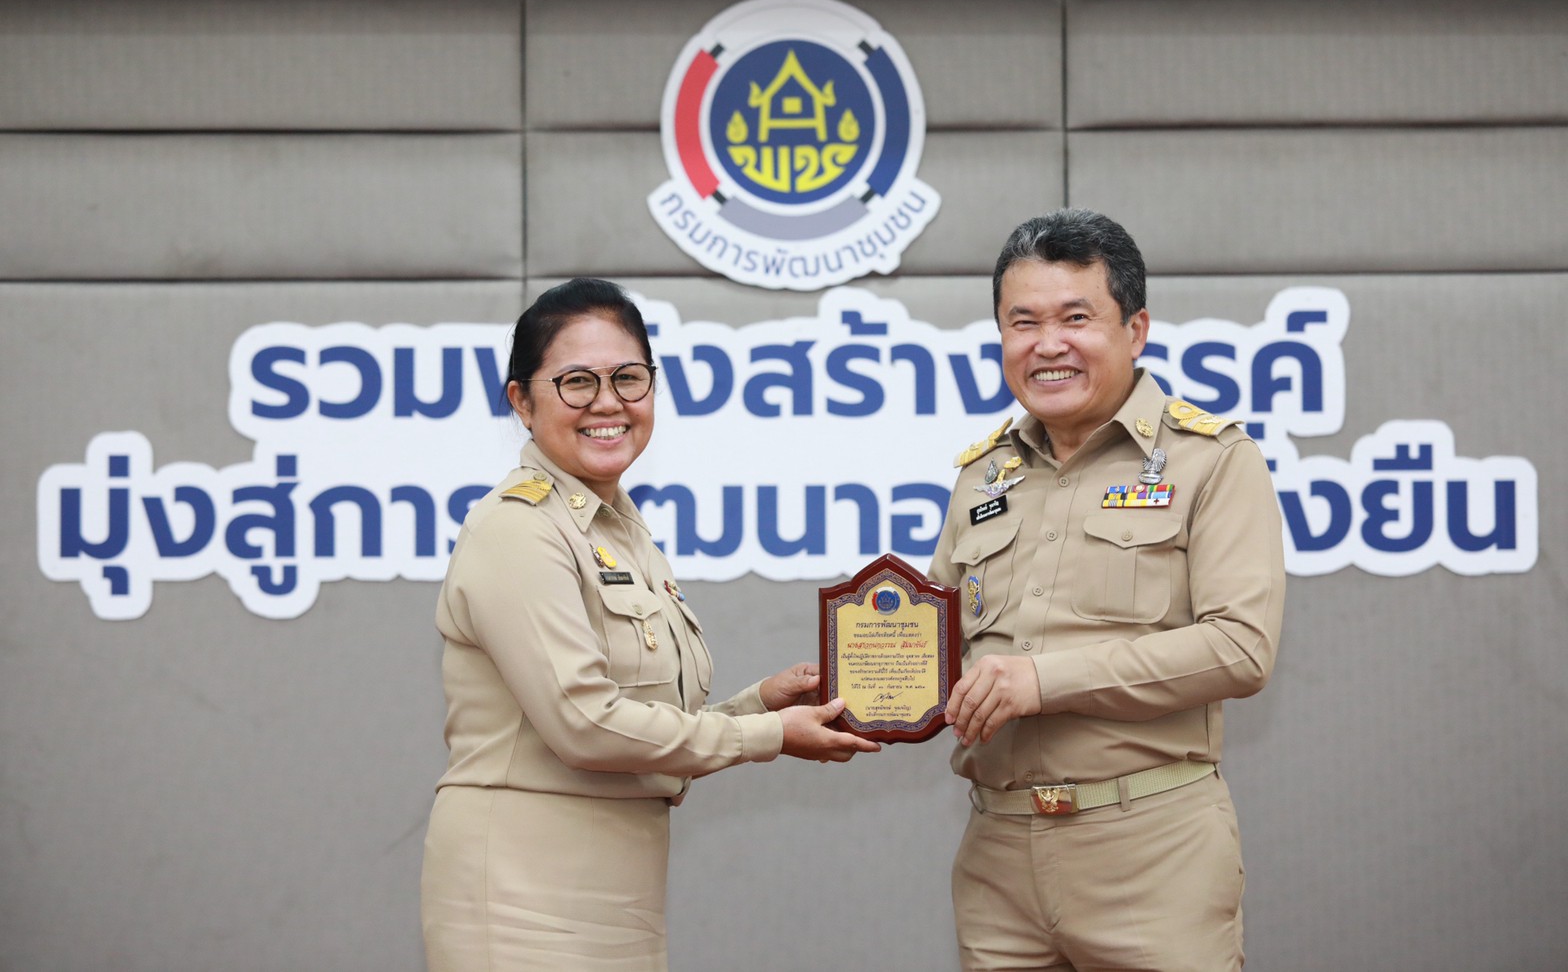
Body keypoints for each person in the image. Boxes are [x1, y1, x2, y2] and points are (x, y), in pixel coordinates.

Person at [420, 277, 878, 971]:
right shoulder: (518, 529)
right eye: (577, 381)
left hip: (616, 896)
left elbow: (636, 723)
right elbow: (584, 722)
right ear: (521, 400)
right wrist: (764, 736)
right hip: (521, 896)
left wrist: (759, 705)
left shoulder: (620, 530)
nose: (608, 403)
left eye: (629, 379)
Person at [930, 209, 1285, 971]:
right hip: (998, 853)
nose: (1046, 344)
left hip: (1151, 849)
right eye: (1021, 322)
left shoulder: (1211, 461)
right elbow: (938, 647)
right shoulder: (981, 475)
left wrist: (1041, 679)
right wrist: (849, 682)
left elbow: (1240, 649)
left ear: (1135, 329)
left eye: (1076, 318)